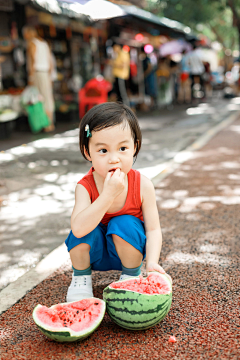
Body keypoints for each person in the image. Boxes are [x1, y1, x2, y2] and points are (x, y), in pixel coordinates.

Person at [65, 102, 171, 302]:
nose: (114, 159)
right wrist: (107, 195)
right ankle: (81, 279)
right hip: (94, 254)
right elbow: (78, 229)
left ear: (135, 147)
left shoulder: (143, 185)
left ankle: (131, 276)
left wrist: (153, 263)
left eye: (122, 148)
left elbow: (153, 229)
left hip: (126, 253)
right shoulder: (84, 187)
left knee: (124, 223)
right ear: (88, 152)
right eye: (103, 151)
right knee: (81, 228)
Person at [23, 26, 55, 132]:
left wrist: (31, 76)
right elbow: (50, 61)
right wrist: (50, 75)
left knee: (40, 98)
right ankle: (49, 123)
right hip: (45, 73)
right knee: (47, 97)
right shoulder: (44, 44)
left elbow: (32, 60)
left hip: (38, 72)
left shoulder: (32, 43)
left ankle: (46, 124)